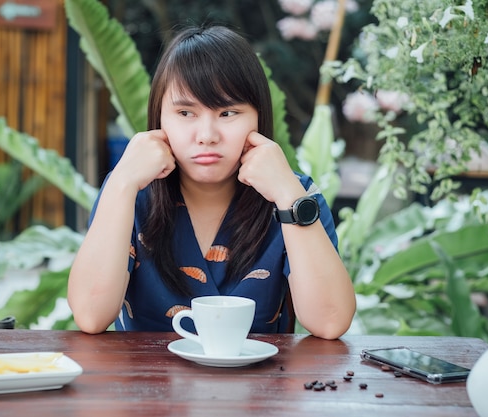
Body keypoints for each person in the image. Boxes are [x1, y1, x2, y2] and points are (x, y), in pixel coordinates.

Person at [67, 24, 356, 339]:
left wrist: (288, 194)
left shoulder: (296, 195)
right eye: (186, 113)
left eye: (228, 113)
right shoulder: (130, 191)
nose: (206, 136)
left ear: (258, 117)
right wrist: (122, 182)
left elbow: (330, 322)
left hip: (261, 385)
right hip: (147, 386)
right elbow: (90, 316)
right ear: (159, 119)